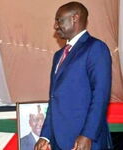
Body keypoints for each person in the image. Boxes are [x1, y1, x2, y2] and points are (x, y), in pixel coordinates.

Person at [34, 2, 112, 150]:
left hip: (84, 141)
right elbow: (54, 98)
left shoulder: (96, 48)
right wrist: (45, 136)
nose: (55, 26)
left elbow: (100, 95)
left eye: (59, 20)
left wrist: (88, 134)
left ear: (75, 18)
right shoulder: (58, 55)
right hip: (58, 142)